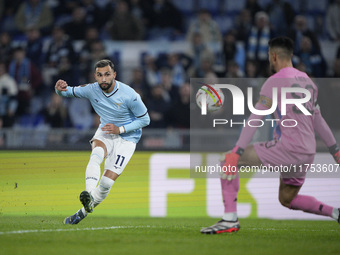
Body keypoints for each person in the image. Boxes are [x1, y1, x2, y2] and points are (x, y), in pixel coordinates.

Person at [200, 37, 340, 234]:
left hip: (289, 148)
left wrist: (237, 152)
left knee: (226, 160)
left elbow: (255, 118)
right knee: (287, 199)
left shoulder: (274, 82)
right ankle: (336, 213)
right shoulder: (308, 82)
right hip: (308, 152)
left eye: (268, 55)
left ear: (273, 56)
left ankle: (230, 220)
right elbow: (318, 120)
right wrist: (335, 150)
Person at [55, 59, 150, 224]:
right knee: (96, 154)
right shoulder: (91, 89)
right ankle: (89, 194)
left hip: (127, 138)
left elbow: (145, 120)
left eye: (107, 74)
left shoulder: (130, 95)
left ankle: (81, 213)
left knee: (106, 182)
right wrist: (58, 89)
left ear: (114, 74)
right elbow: (66, 92)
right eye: (100, 75)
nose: (103, 79)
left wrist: (119, 129)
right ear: (95, 76)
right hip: (106, 130)